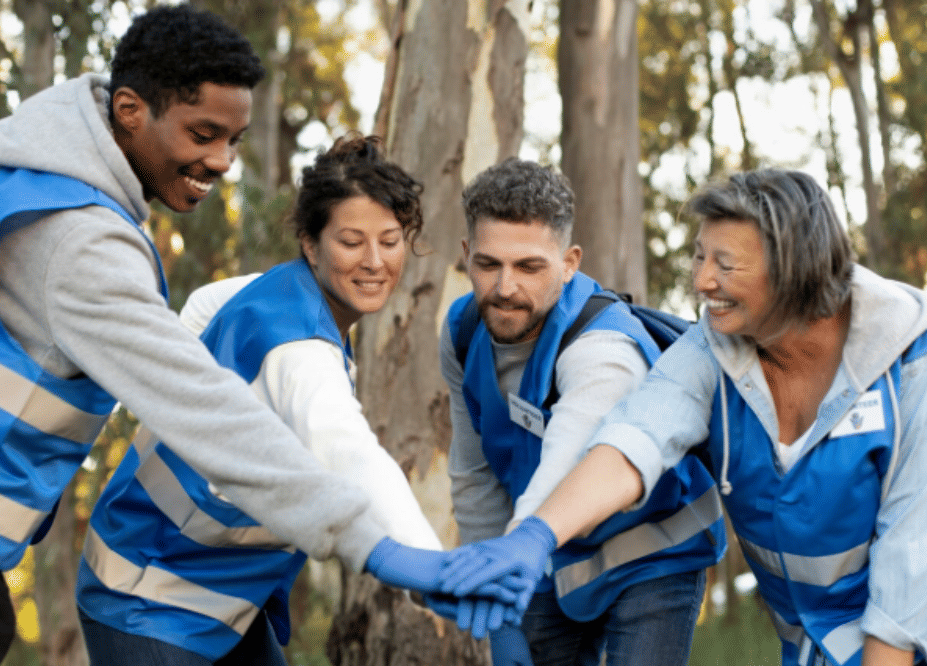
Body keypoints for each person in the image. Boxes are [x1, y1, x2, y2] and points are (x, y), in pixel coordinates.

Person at [0, 7, 441, 665]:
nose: (223, 161)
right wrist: (380, 545)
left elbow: (194, 324)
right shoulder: (78, 239)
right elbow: (202, 405)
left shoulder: (20, 176)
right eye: (204, 134)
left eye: (234, 139)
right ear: (130, 109)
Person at [439, 169, 927, 666]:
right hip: (814, 644)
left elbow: (908, 568)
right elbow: (637, 437)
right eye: (699, 256)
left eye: (726, 265)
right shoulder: (713, 348)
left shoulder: (913, 365)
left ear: (792, 269)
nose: (701, 281)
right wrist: (535, 535)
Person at [76, 133, 451, 665]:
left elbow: (207, 303)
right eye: (351, 242)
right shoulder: (298, 347)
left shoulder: (275, 292)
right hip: (145, 592)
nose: (374, 262)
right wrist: (435, 572)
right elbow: (350, 455)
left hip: (226, 599)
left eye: (390, 241)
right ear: (310, 241)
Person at [436, 158, 725, 666]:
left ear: (569, 262)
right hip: (548, 556)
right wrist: (497, 603)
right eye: (488, 265)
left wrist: (513, 556)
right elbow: (474, 474)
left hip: (652, 552)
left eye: (529, 267)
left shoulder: (604, 348)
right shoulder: (462, 332)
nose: (505, 288)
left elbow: (567, 462)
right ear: (466, 256)